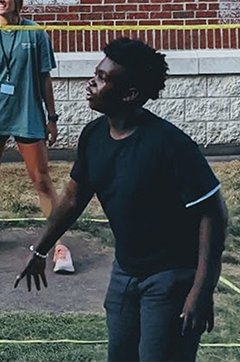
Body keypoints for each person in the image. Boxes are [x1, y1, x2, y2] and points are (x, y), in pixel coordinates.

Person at [16, 38, 227, 362]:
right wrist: (40, 249)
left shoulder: (169, 144)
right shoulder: (93, 136)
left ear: (129, 94)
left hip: (171, 278)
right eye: (95, 73)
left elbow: (213, 214)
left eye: (102, 78)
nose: (91, 82)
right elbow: (73, 199)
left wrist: (201, 291)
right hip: (126, 273)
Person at [0, 0, 73, 273]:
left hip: (27, 114)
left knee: (42, 179)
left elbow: (44, 78)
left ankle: (58, 245)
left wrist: (52, 116)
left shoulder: (34, 33)